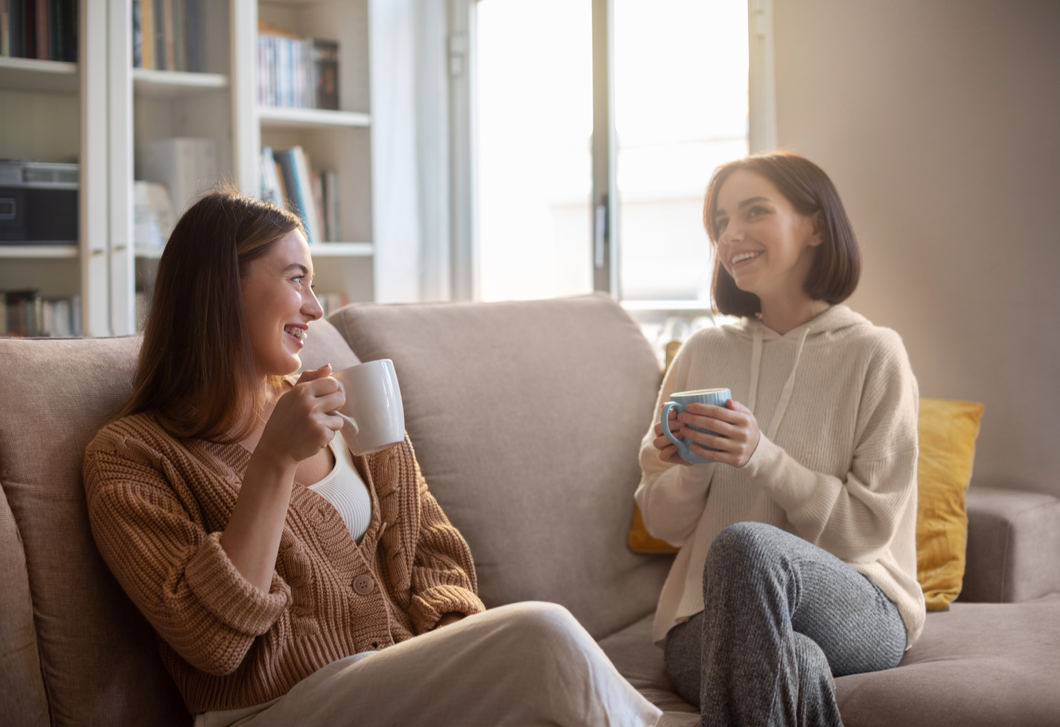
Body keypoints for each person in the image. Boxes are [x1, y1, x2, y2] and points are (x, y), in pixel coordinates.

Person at [83, 188, 662, 727]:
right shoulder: (131, 457)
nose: (314, 306)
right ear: (221, 288)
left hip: (405, 688)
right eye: (296, 278)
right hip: (272, 709)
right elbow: (211, 642)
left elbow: (432, 548)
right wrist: (274, 462)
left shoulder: (348, 406)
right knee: (542, 631)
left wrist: (455, 644)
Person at [635, 152, 925, 727]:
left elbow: (864, 533)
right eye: (720, 222)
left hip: (857, 601)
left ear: (815, 226)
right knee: (794, 659)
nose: (730, 234)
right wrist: (694, 467)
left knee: (749, 544)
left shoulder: (874, 355)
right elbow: (662, 525)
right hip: (706, 618)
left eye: (754, 211)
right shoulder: (703, 352)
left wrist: (761, 457)